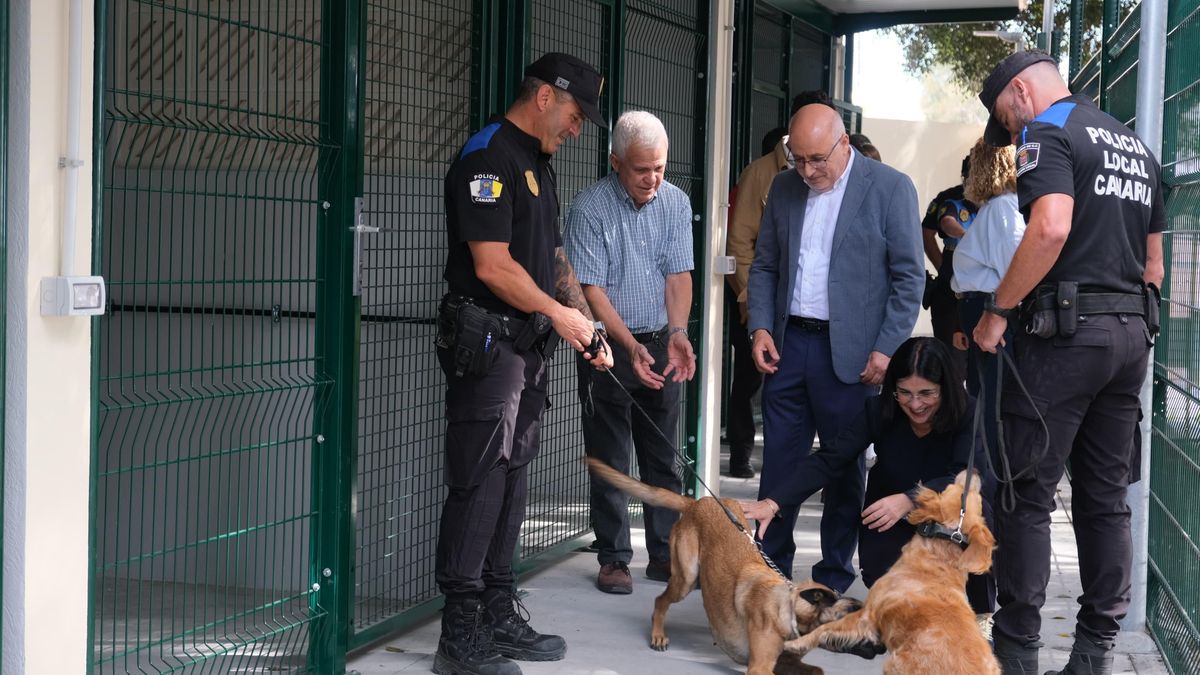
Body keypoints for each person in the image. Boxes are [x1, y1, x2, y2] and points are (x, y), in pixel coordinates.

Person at [974, 50, 1165, 675]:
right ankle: (1093, 655)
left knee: (1026, 494)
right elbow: (1154, 261)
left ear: (1021, 94)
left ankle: (1019, 653)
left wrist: (999, 310)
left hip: (1063, 339)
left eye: (1005, 119)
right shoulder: (1132, 144)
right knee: (1105, 496)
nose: (1009, 133)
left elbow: (1050, 228)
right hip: (1131, 336)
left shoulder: (1046, 131)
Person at [435, 52, 614, 675]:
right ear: (545, 98)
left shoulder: (538, 161)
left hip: (529, 346)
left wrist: (580, 321)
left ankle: (497, 610)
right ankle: (458, 637)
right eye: (573, 115)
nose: (576, 129)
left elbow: (550, 254)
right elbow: (492, 264)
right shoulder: (489, 155)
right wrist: (562, 318)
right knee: (479, 478)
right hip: (489, 345)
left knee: (512, 481)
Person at [746, 103, 924, 592]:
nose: (806, 171)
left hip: (854, 357)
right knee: (779, 466)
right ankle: (770, 575)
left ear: (844, 143)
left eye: (816, 160)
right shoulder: (784, 188)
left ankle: (831, 581)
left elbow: (909, 278)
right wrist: (760, 327)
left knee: (844, 471)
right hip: (788, 347)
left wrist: (887, 348)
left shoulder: (889, 188)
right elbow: (764, 266)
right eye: (797, 159)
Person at [739, 336, 995, 617]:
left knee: (977, 529)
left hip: (950, 510)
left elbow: (966, 476)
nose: (915, 404)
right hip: (889, 510)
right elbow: (830, 459)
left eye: (926, 393)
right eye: (904, 392)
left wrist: (910, 500)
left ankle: (981, 618)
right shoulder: (878, 409)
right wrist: (775, 502)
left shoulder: (968, 411)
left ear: (945, 388)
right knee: (883, 579)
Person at [564, 110, 697, 595]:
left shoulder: (676, 202)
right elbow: (591, 290)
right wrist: (629, 345)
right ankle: (614, 558)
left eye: (660, 167)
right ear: (615, 161)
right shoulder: (589, 209)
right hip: (606, 347)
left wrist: (677, 332)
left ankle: (665, 556)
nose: (652, 179)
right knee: (612, 457)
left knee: (664, 457)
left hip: (661, 339)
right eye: (642, 169)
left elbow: (679, 273)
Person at [724, 90, 834, 478]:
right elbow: (741, 244)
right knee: (751, 384)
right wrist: (756, 306)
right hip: (762, 309)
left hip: (823, 326)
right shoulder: (762, 174)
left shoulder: (848, 178)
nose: (809, 166)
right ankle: (740, 453)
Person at [951, 138, 1025, 454]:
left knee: (994, 401)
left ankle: (996, 480)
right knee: (985, 396)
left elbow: (1014, 266)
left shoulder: (1003, 208)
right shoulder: (1001, 207)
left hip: (994, 310)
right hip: (983, 306)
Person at [922, 155, 977, 373]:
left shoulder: (999, 200)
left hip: (982, 293)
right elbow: (931, 231)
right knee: (951, 364)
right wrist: (942, 268)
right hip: (950, 294)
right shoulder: (950, 199)